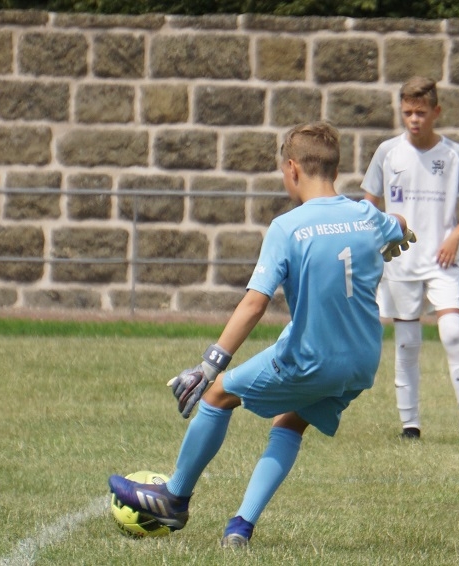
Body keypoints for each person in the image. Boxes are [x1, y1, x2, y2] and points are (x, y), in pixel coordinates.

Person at [108, 121, 414, 548]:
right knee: (290, 420)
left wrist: (209, 364)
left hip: (309, 358)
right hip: (361, 364)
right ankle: (240, 527)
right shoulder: (367, 216)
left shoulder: (288, 227)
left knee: (218, 395)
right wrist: (402, 232)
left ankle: (173, 498)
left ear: (292, 168)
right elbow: (397, 223)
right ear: (334, 168)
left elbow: (255, 303)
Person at [361, 76, 459, 447]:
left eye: (421, 112)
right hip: (401, 261)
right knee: (407, 343)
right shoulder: (388, 152)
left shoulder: (453, 155)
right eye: (407, 113)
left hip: (441, 259)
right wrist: (379, 236)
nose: (414, 119)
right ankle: (410, 426)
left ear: (436, 112)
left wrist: (454, 237)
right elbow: (369, 203)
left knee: (452, 332)